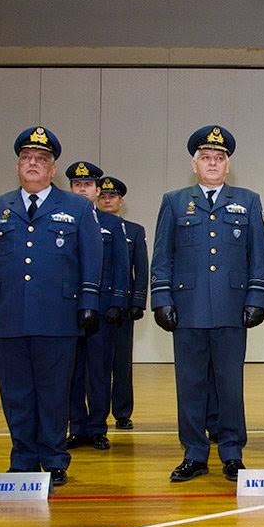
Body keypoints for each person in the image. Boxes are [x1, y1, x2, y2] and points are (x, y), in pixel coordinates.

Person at [0, 126, 103, 486]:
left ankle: (55, 457)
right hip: (8, 315)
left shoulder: (75, 207)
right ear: (17, 166)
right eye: (26, 158)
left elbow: (91, 258)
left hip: (57, 316)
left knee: (54, 391)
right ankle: (23, 457)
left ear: (52, 169)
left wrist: (89, 301)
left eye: (41, 159)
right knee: (16, 393)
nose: (33, 164)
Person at [151, 125, 264, 483]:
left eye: (219, 158)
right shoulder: (174, 201)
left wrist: (256, 297)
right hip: (187, 310)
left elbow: (258, 256)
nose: (213, 163)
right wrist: (161, 298)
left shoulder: (248, 200)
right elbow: (162, 256)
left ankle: (232, 453)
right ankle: (194, 453)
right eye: (206, 158)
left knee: (230, 385)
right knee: (190, 385)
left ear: (228, 164)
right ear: (194, 163)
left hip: (232, 310)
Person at [65, 162, 130, 451]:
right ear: (71, 188)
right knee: (71, 372)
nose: (82, 189)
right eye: (77, 185)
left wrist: (118, 301)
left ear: (96, 190)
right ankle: (77, 427)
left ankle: (97, 427)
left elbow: (120, 266)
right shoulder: (61, 219)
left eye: (88, 185)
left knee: (99, 371)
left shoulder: (111, 224)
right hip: (66, 311)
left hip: (102, 311)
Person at [97, 176, 149, 430]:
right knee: (95, 364)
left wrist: (138, 301)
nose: (108, 201)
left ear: (121, 201)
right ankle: (96, 413)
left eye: (113, 197)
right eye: (103, 196)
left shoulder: (134, 230)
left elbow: (141, 268)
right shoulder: (89, 226)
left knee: (121, 362)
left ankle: (122, 411)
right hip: (95, 306)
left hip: (122, 307)